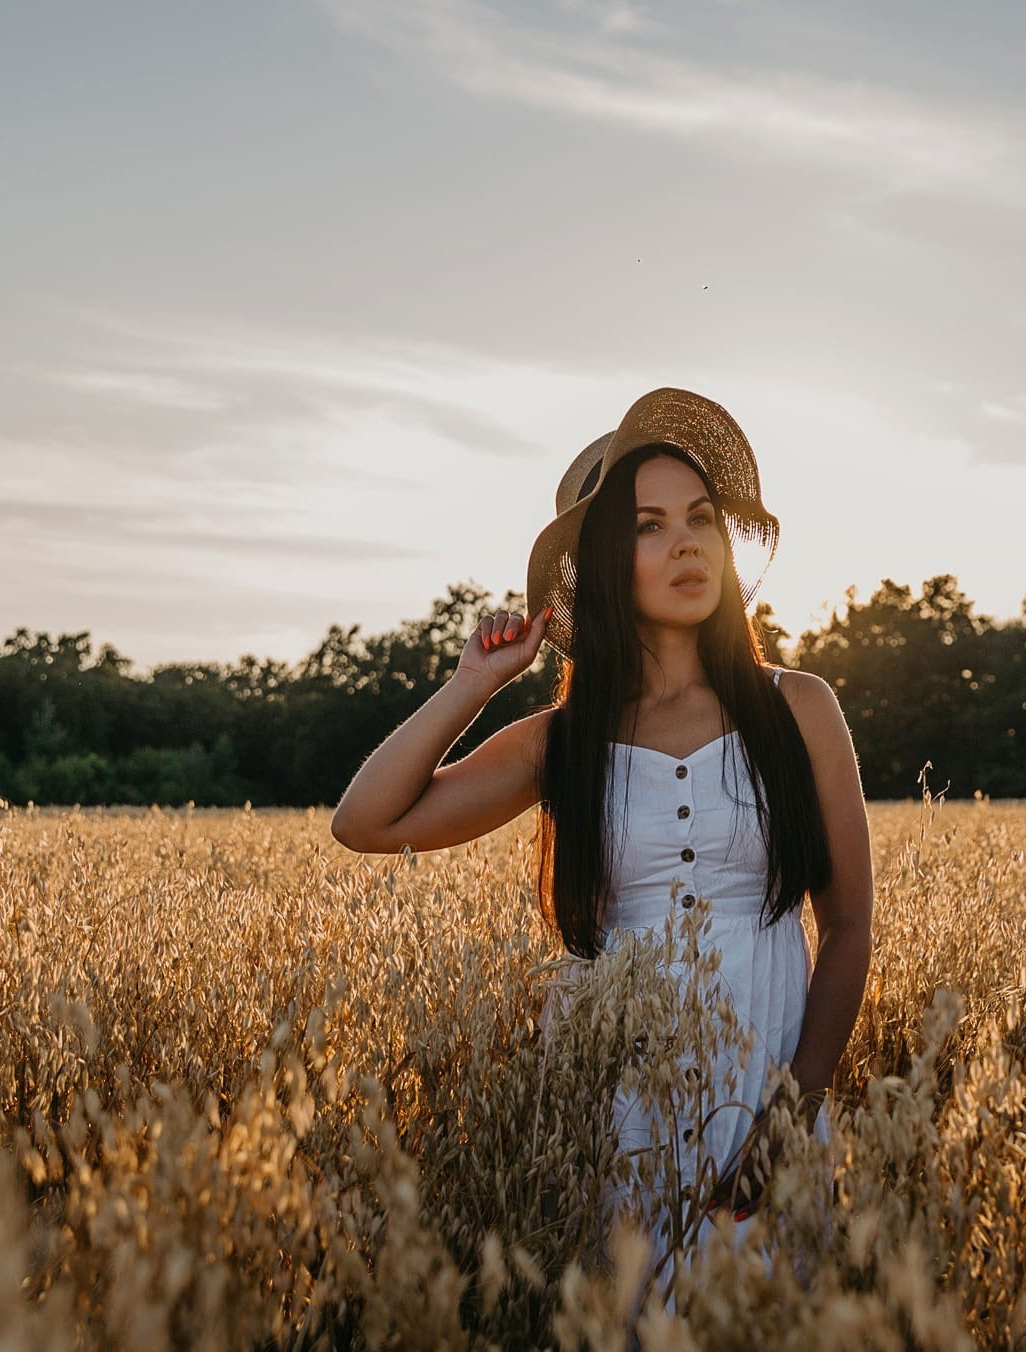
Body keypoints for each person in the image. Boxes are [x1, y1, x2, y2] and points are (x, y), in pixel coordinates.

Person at [326, 387, 874, 1286]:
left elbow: (849, 926)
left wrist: (791, 1111)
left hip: (772, 1086)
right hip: (619, 1106)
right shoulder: (565, 742)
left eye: (700, 518)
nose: (686, 542)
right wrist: (476, 684)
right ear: (605, 563)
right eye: (650, 526)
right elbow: (366, 821)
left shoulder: (798, 708)